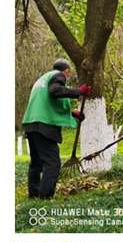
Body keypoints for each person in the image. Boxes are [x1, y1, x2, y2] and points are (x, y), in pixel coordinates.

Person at [21, 59, 91, 199]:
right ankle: (45, 196)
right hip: (44, 125)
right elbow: (55, 91)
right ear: (65, 70)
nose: (68, 75)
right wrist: (79, 91)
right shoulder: (58, 75)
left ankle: (33, 194)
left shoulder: (41, 80)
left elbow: (46, 102)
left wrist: (72, 113)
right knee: (52, 162)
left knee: (36, 162)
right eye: (69, 72)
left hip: (31, 123)